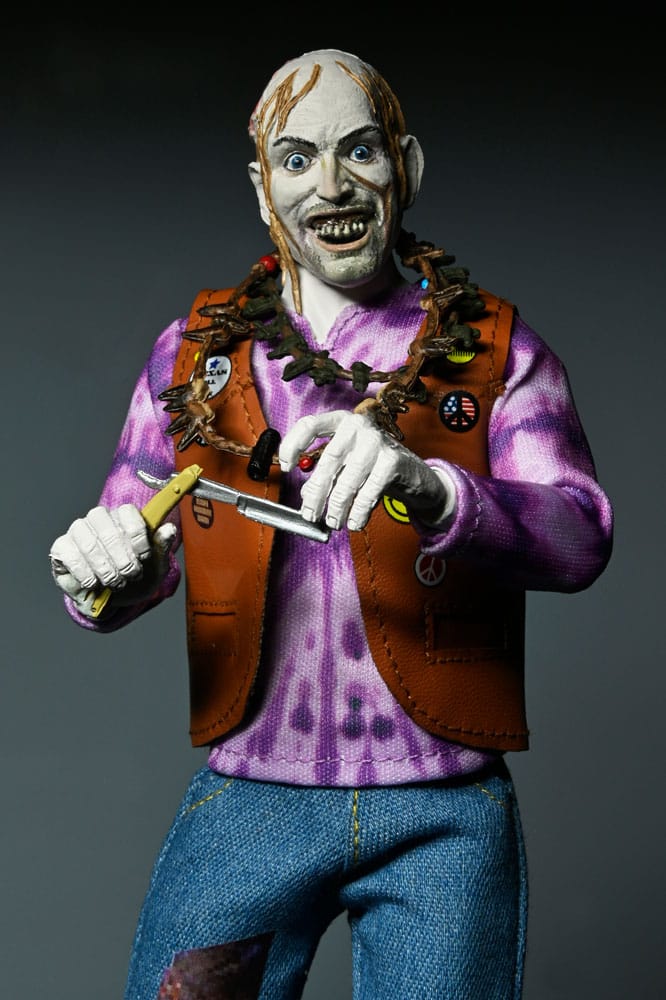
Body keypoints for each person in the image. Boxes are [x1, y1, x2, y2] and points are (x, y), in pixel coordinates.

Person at [49, 48, 613, 1000]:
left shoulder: (496, 350)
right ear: (262, 187)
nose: (333, 185)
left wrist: (436, 492)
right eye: (298, 158)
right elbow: (128, 539)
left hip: (444, 806)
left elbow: (581, 535)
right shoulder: (193, 358)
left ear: (407, 166)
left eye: (360, 150)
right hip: (255, 794)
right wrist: (103, 568)